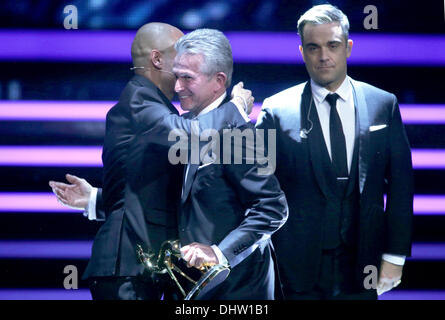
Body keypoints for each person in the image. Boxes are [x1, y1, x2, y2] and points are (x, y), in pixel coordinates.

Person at [50, 22, 254, 300]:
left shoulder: (153, 108)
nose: (187, 63)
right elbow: (189, 134)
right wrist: (236, 109)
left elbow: (146, 188)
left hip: (141, 269)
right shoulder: (140, 101)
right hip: (127, 269)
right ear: (158, 59)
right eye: (181, 54)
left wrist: (96, 200)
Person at [256, 4, 413, 300]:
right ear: (302, 51)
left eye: (333, 45)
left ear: (348, 48)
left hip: (363, 264)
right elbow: (256, 187)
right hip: (295, 267)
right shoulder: (276, 110)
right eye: (313, 47)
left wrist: (395, 256)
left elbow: (401, 186)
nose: (323, 56)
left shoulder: (383, 103)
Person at [172, 29, 288, 300]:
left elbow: (272, 206)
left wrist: (219, 253)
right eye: (176, 76)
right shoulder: (186, 128)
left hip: (237, 291)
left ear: (218, 81)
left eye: (187, 77)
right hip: (191, 290)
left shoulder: (235, 133)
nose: (177, 87)